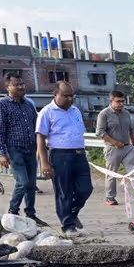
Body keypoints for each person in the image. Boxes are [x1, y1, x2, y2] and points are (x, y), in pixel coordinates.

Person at [36, 81, 90, 236]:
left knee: (85, 188)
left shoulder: (75, 111)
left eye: (71, 95)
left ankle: (72, 214)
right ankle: (67, 225)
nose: (70, 99)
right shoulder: (47, 112)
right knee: (64, 192)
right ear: (56, 95)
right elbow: (40, 138)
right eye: (65, 96)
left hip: (79, 154)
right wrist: (44, 163)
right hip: (60, 156)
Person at [0, 74, 47, 225]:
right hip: (14, 149)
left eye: (22, 84)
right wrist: (2, 154)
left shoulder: (28, 104)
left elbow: (36, 126)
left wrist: (43, 144)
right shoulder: (2, 105)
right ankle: (13, 211)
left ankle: (30, 214)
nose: (21, 87)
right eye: (16, 85)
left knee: (31, 183)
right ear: (7, 87)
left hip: (31, 147)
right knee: (22, 181)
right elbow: (0, 131)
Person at [96, 90, 134, 206]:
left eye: (122, 101)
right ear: (111, 101)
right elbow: (100, 133)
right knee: (111, 173)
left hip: (127, 147)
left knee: (133, 170)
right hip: (112, 148)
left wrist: (133, 144)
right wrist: (115, 142)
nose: (121, 104)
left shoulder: (126, 113)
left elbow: (130, 130)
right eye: (118, 102)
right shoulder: (104, 114)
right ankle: (110, 197)